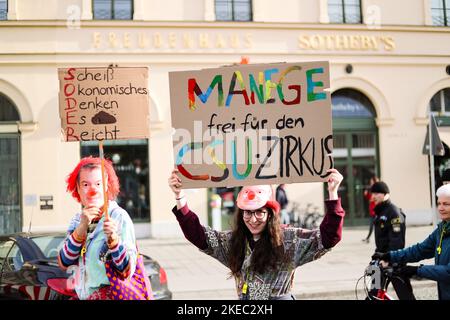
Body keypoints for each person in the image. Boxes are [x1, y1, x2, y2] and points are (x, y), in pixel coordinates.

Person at [168, 168, 345, 300]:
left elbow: (328, 238)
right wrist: (179, 196)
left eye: (259, 212)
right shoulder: (233, 242)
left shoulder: (289, 240)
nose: (253, 219)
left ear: (270, 214)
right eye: (247, 212)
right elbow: (199, 236)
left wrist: (333, 192)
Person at [57, 156, 138, 300]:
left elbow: (126, 271)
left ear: (106, 185)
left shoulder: (119, 217)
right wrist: (81, 228)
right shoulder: (77, 220)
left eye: (98, 184)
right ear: (78, 188)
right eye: (86, 184)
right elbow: (64, 262)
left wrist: (114, 241)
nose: (92, 190)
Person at [373, 183, 450, 300]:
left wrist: (416, 270)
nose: (440, 208)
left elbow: (448, 272)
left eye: (446, 204)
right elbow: (420, 250)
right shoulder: (442, 229)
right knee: (374, 292)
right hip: (444, 293)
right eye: (438, 203)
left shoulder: (393, 212)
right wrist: (389, 256)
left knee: (405, 295)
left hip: (394, 266)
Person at [369, 181, 415, 300]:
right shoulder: (379, 212)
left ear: (386, 194)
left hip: (394, 261)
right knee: (373, 295)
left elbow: (397, 240)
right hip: (380, 261)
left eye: (377, 193)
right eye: (372, 193)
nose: (373, 196)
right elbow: (381, 241)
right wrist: (375, 259)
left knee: (406, 296)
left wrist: (388, 259)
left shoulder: (393, 212)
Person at [362, 176, 379, 243]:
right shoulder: (372, 189)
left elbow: (374, 198)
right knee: (373, 226)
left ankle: (368, 238)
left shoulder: (377, 189)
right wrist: (366, 194)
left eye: (371, 181)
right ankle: (368, 238)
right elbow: (370, 198)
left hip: (376, 210)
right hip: (372, 210)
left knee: (374, 226)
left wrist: (371, 198)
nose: (370, 183)